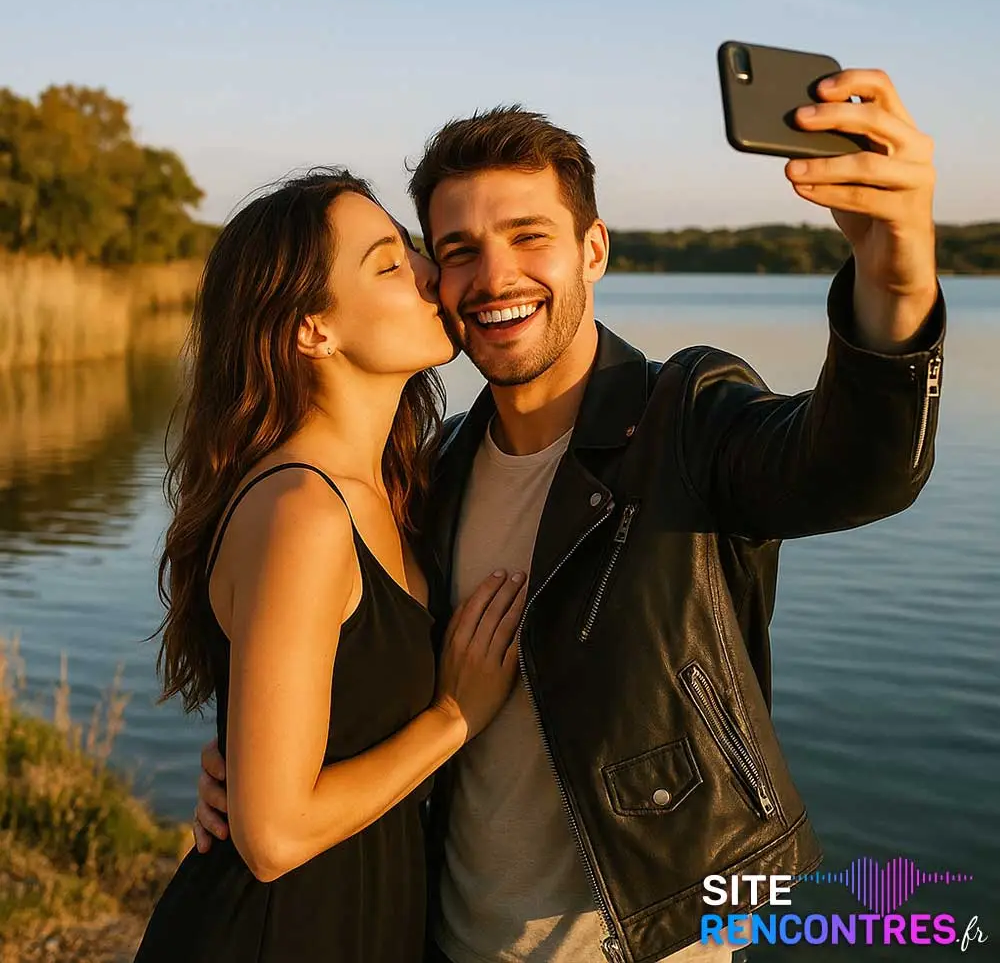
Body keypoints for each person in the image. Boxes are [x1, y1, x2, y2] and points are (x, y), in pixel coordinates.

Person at [193, 70, 945, 963]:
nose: (493, 276)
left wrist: (895, 277)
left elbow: (858, 467)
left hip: (653, 943)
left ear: (593, 249)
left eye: (529, 236)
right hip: (442, 941)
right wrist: (253, 775)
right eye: (457, 248)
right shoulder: (430, 479)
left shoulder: (688, 423)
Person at [134, 169, 530, 963]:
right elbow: (274, 836)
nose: (428, 274)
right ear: (312, 328)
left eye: (413, 252)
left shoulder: (392, 486)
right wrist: (454, 717)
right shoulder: (304, 514)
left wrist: (241, 770)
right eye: (387, 264)